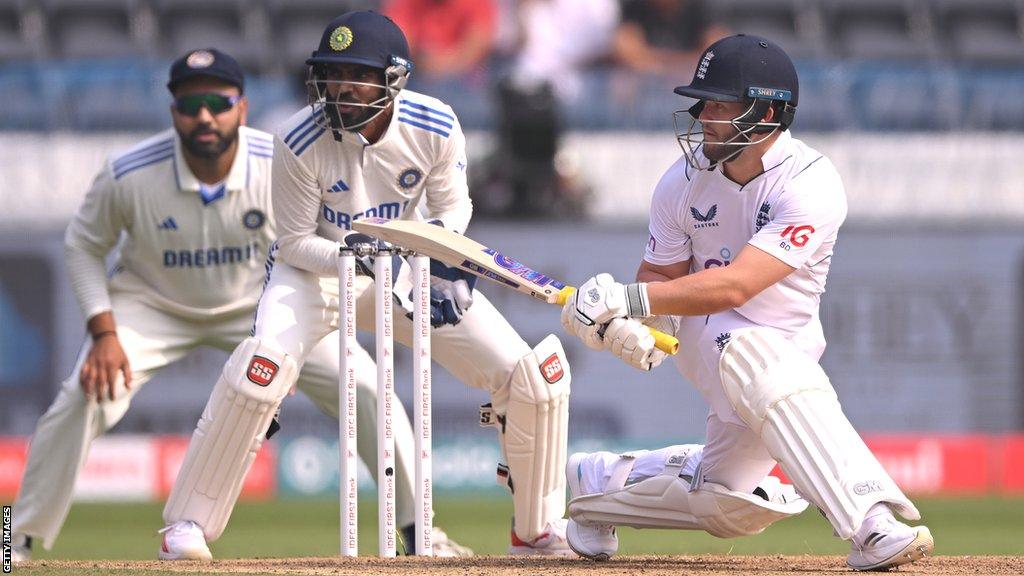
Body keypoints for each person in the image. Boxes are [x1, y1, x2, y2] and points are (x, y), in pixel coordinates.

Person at [8, 47, 469, 563]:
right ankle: (12, 538)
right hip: (154, 307)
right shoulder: (129, 173)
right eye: (190, 104)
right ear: (173, 112)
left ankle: (417, 528)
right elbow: (82, 246)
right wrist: (103, 332)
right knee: (80, 396)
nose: (204, 116)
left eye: (218, 102)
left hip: (262, 301)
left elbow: (318, 238)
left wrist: (285, 339)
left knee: (369, 386)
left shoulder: (280, 158)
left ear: (241, 108)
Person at [158, 11, 575, 557]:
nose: (340, 88)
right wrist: (355, 256)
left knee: (529, 376)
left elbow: (455, 210)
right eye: (332, 74)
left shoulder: (435, 125)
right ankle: (186, 526)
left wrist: (442, 260)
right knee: (259, 369)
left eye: (356, 74)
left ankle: (535, 530)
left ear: (393, 77)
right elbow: (290, 243)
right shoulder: (299, 138)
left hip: (400, 267)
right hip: (313, 273)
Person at [560, 34, 935, 571]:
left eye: (720, 103)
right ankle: (871, 523)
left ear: (769, 112)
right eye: (703, 102)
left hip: (788, 349)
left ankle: (597, 488)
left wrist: (628, 298)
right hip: (717, 339)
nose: (704, 116)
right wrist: (631, 323)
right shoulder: (680, 182)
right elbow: (661, 276)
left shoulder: (811, 183)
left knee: (726, 504)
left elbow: (740, 285)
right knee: (751, 353)